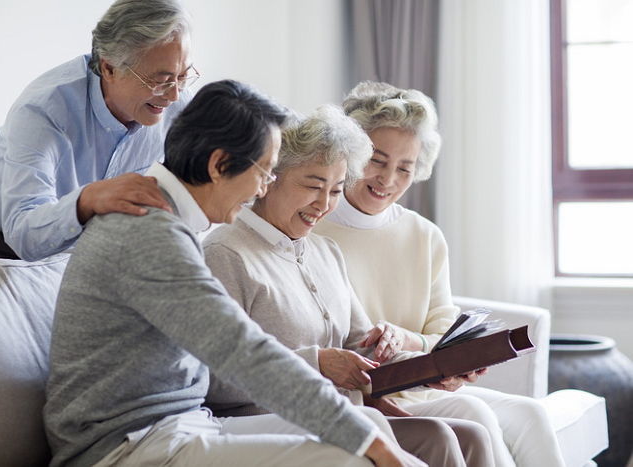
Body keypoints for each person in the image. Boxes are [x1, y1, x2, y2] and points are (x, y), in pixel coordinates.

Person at [44, 80, 425, 467]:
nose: (264, 187)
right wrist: (370, 443)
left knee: (366, 429)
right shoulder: (149, 233)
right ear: (219, 165)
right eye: (265, 171)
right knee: (355, 457)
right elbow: (242, 352)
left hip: (184, 426)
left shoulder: (168, 224)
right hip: (125, 446)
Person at [202, 105, 495, 467]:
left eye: (337, 190)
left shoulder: (325, 252)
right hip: (269, 423)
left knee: (469, 435)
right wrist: (318, 363)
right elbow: (211, 379)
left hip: (345, 417)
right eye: (313, 186)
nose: (324, 204)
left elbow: (364, 350)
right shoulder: (225, 253)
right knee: (429, 437)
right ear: (268, 179)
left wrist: (433, 370)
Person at [314, 81, 566, 467]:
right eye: (377, 161)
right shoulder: (313, 228)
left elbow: (443, 331)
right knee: (476, 415)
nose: (388, 180)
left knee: (531, 415)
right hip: (368, 392)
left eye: (405, 168)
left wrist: (410, 342)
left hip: (422, 386)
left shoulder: (423, 235)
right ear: (350, 153)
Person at [0, 0, 196, 261]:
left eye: (182, 76)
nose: (174, 95)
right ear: (109, 68)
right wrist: (87, 200)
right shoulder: (45, 109)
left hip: (77, 234)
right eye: (159, 80)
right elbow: (23, 234)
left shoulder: (180, 105)